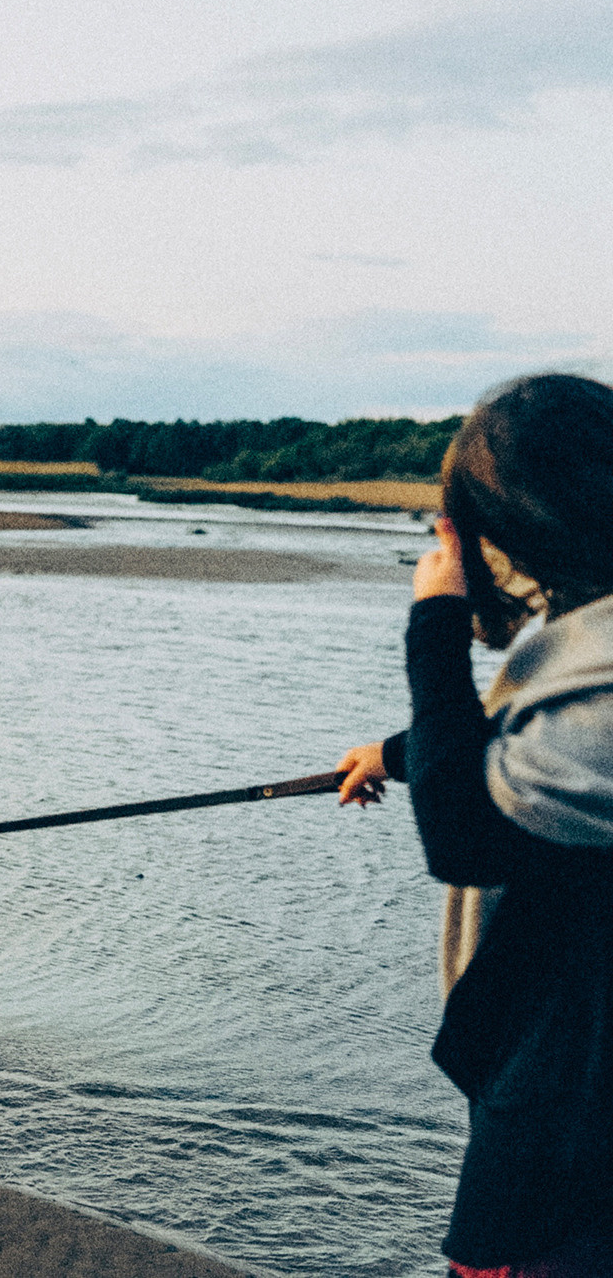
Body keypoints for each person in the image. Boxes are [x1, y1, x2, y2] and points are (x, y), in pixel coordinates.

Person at [336, 373, 613, 1276]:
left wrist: (436, 617)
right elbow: (528, 742)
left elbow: (467, 835)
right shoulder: (589, 631)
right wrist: (395, 750)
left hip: (575, 1072)